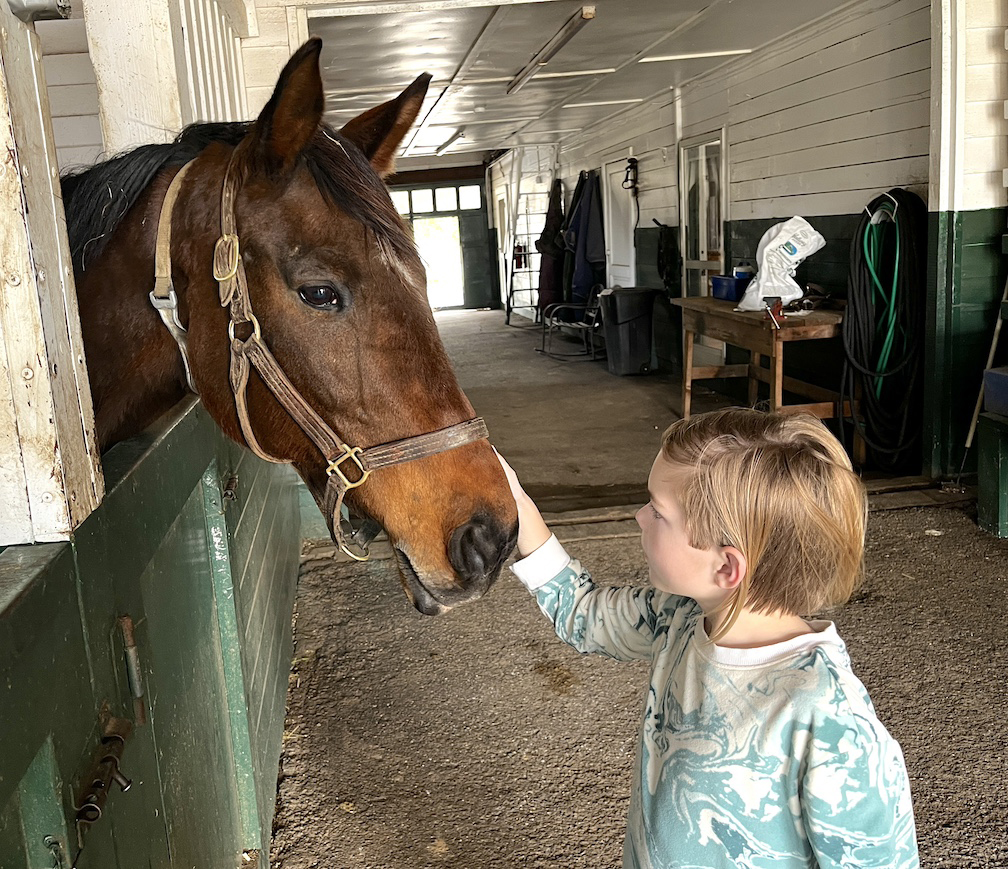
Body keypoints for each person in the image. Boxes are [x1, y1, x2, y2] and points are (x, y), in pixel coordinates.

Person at [496, 408, 919, 869]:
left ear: (726, 567)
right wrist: (516, 500)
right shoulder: (677, 618)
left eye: (658, 511)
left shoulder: (831, 721)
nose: (638, 516)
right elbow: (584, 612)